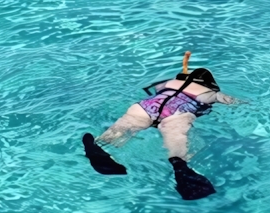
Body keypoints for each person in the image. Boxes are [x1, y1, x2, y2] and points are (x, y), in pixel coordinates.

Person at [81, 54, 243, 200]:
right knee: (176, 144)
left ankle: (101, 144)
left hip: (147, 107)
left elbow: (148, 88)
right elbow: (233, 103)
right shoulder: (211, 93)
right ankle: (179, 165)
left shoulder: (169, 83)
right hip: (177, 114)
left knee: (126, 125)